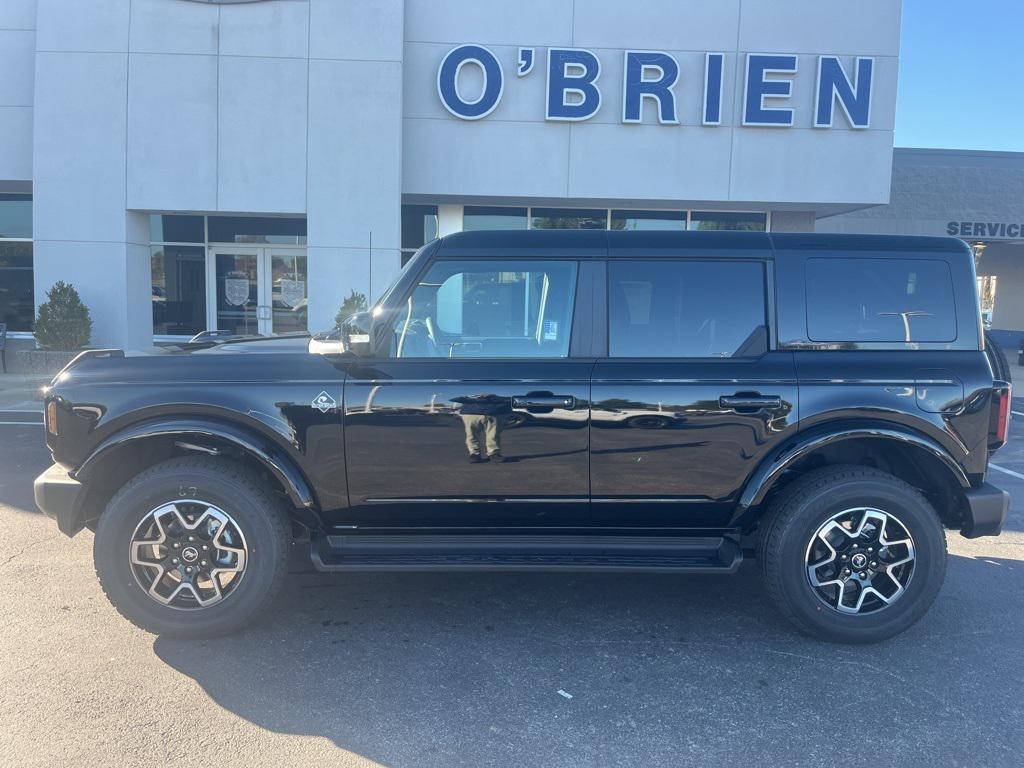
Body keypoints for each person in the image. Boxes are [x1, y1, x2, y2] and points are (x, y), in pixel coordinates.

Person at [452, 393, 512, 463]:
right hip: (470, 413)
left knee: (493, 435)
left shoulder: (497, 398)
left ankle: (494, 453)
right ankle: (474, 454)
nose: (483, 396)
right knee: (471, 435)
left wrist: (493, 396)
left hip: (493, 412)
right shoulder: (470, 398)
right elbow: (458, 399)